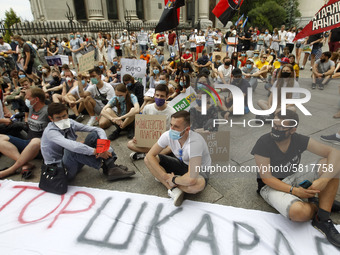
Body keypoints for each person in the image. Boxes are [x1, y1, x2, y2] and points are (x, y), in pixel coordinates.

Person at [251, 110, 340, 248]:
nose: (275, 129)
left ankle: (322, 218)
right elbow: (266, 178)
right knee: (299, 213)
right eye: (274, 124)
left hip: (293, 177)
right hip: (270, 187)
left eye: (280, 127)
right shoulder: (263, 142)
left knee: (333, 165)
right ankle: (319, 204)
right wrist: (294, 191)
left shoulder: (297, 139)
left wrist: (324, 180)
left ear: (293, 130)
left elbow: (334, 152)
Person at [41, 103, 134, 182]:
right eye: (58, 118)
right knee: (72, 149)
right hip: (61, 170)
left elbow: (97, 130)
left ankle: (111, 167)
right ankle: (107, 167)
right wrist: (96, 151)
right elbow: (73, 147)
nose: (62, 120)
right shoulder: (51, 132)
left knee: (93, 135)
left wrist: (103, 148)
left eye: (64, 116)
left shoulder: (69, 122)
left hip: (72, 160)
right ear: (51, 118)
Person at [144, 110, 211, 206]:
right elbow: (150, 155)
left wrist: (174, 180)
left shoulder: (195, 143)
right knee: (147, 160)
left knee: (195, 187)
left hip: (200, 169)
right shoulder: (167, 135)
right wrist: (165, 176)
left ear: (187, 129)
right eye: (171, 125)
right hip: (182, 163)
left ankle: (172, 183)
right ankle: (173, 189)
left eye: (176, 126)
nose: (171, 129)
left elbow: (192, 179)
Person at [0, 88, 49, 179]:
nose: (25, 99)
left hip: (40, 146)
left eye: (28, 97)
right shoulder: (31, 108)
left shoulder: (47, 111)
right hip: (28, 143)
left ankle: (11, 169)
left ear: (36, 99)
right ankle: (25, 164)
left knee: (35, 141)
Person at [127, 84, 175, 160]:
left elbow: (172, 133)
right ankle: (154, 154)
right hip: (149, 140)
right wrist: (137, 137)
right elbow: (142, 126)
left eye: (162, 96)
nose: (159, 98)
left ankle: (145, 155)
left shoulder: (172, 112)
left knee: (170, 148)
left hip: (163, 142)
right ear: (154, 95)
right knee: (130, 144)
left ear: (167, 97)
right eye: (157, 95)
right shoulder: (147, 108)